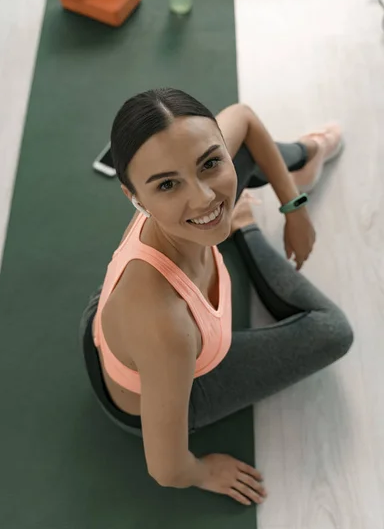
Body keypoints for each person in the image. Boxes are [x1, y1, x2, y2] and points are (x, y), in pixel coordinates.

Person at [80, 88, 353, 507]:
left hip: (116, 323)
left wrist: (294, 205)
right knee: (333, 332)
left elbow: (243, 117)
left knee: (241, 159)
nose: (205, 197)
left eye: (210, 163)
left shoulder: (180, 195)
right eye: (167, 184)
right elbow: (166, 469)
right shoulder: (167, 327)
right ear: (135, 199)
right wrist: (203, 471)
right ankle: (247, 227)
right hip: (160, 381)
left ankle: (308, 154)